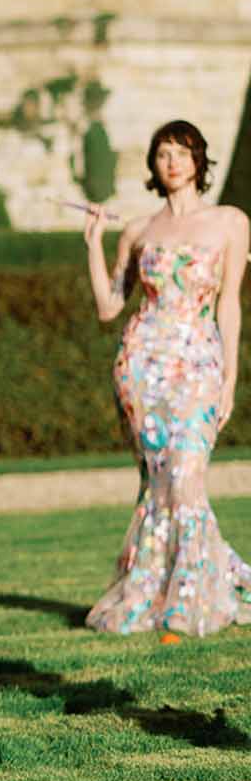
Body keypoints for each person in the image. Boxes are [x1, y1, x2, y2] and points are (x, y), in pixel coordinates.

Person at [82, 120, 251, 635]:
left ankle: (193, 597)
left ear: (200, 160)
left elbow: (230, 306)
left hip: (199, 362)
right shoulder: (138, 230)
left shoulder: (230, 221)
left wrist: (228, 380)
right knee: (159, 482)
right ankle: (159, 596)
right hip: (141, 366)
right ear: (153, 167)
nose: (173, 162)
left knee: (186, 477)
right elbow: (110, 307)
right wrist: (93, 242)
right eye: (162, 154)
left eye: (182, 152)